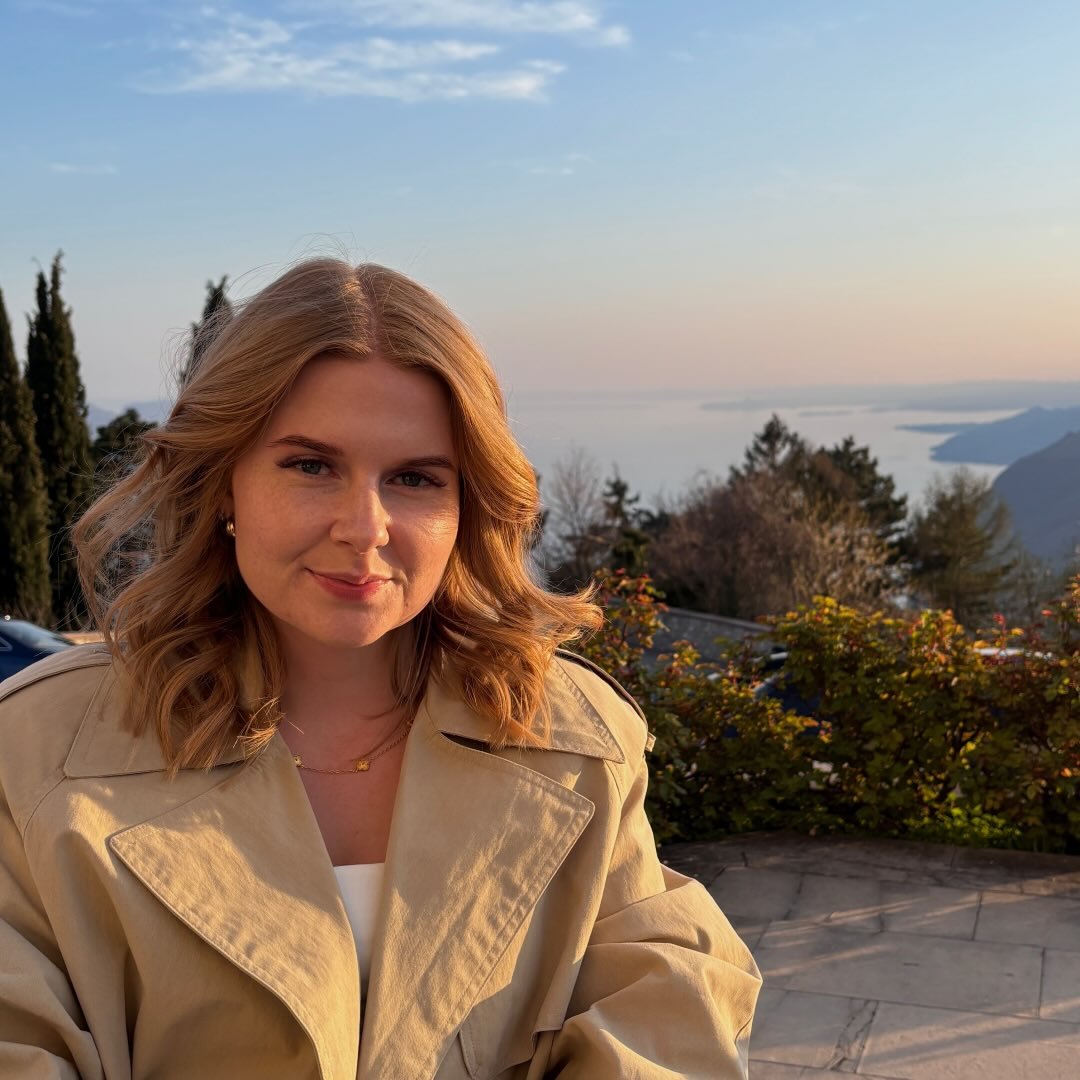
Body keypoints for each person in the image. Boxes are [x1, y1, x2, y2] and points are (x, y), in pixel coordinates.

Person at [0, 258, 760, 1078]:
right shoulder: (39, 750)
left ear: (465, 508)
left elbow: (661, 998)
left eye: (414, 478)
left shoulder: (571, 738)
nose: (364, 528)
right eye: (310, 465)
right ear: (223, 483)